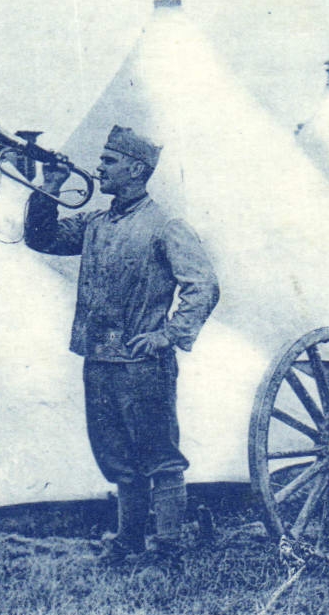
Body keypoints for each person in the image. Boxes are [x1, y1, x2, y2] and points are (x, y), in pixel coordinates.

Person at [25, 125, 218, 564]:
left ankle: (168, 546)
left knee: (159, 455)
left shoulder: (165, 225)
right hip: (98, 358)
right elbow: (42, 238)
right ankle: (129, 540)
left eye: (109, 162)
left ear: (135, 169)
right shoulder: (96, 222)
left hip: (142, 363)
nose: (99, 168)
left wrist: (167, 335)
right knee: (117, 456)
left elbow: (203, 286)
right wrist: (48, 188)